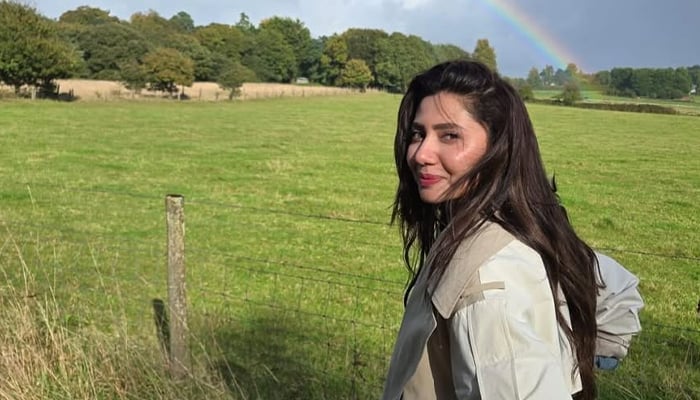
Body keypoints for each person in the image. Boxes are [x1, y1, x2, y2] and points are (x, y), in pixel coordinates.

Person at [382, 60, 602, 400]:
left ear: (498, 146)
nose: (421, 153)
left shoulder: (490, 281)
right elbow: (615, 289)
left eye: (449, 135)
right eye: (418, 133)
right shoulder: (515, 226)